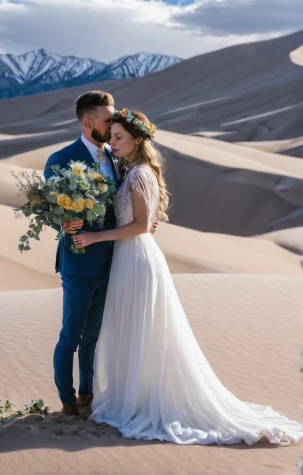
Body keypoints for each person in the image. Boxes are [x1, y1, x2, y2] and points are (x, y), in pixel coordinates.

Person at [72, 108, 303, 445]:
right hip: (129, 257)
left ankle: (140, 404)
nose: (113, 142)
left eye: (120, 137)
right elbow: (145, 222)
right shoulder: (131, 172)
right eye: (113, 136)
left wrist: (95, 237)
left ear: (138, 140)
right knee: (131, 328)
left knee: (141, 329)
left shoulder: (139, 175)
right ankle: (132, 398)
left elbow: (138, 226)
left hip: (137, 258)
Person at [43, 92, 156, 416]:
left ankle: (88, 394)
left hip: (115, 262)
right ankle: (66, 399)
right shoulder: (61, 159)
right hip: (79, 261)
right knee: (71, 335)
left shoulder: (116, 156)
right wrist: (63, 220)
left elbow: (131, 200)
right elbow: (50, 207)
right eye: (108, 121)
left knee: (93, 335)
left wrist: (145, 222)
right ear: (88, 122)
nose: (113, 125)